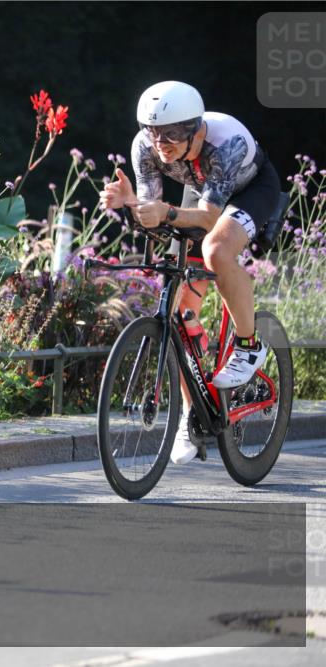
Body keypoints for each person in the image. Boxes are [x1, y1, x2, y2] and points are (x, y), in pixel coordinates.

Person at [99, 81, 282, 464]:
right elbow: (154, 215)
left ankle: (249, 346)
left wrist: (165, 212)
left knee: (216, 249)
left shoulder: (224, 141)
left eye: (172, 135)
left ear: (196, 130)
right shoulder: (144, 147)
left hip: (248, 190)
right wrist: (130, 203)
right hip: (201, 193)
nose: (161, 144)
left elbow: (211, 219)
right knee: (179, 307)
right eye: (154, 134)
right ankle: (190, 415)